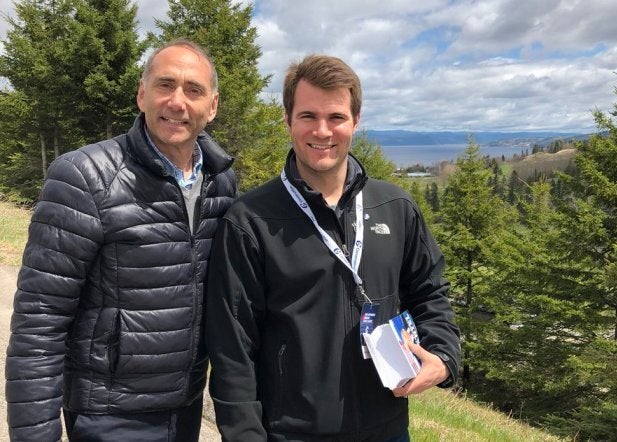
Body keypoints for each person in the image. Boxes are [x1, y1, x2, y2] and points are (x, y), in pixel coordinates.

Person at [205, 54, 460, 441]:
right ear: (288, 120)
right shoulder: (250, 221)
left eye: (336, 117)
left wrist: (443, 357)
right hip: (292, 433)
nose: (322, 131)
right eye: (308, 116)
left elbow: (430, 292)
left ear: (355, 121)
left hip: (387, 429)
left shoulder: (395, 207)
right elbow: (232, 348)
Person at [5, 38, 237, 441]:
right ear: (141, 94)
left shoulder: (221, 181)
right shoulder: (84, 176)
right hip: (109, 414)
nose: (177, 102)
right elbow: (40, 321)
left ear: (212, 106)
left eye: (193, 90)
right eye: (165, 85)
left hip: (185, 408)